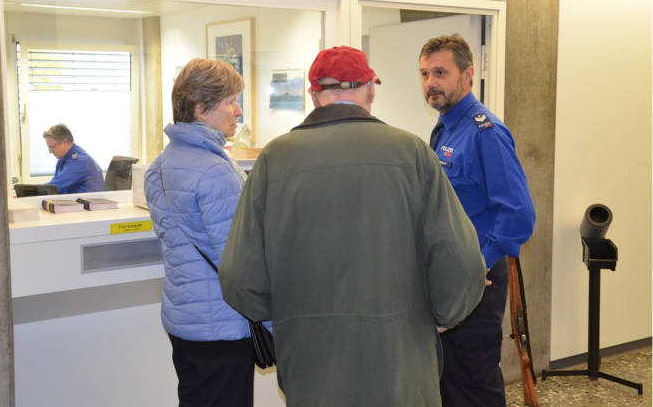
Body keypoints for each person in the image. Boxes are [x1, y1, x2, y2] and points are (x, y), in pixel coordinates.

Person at [219, 46, 486, 407]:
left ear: (315, 96)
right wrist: (444, 314)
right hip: (401, 364)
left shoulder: (273, 159)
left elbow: (238, 277)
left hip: (311, 365)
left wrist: (287, 314)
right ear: (370, 91)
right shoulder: (412, 152)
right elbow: (462, 263)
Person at [419, 33, 536, 407]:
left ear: (468, 74)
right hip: (450, 275)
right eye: (424, 74)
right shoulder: (446, 126)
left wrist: (476, 264)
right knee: (449, 379)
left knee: (473, 383)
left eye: (440, 72)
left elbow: (518, 214)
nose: (430, 83)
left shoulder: (486, 132)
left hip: (477, 278)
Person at [143, 58, 255, 407]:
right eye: (231, 101)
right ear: (200, 107)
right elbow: (239, 262)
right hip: (222, 325)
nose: (238, 111)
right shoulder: (215, 171)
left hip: (183, 321)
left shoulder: (159, 166)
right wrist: (270, 324)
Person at [43, 124, 104, 194]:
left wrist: (30, 191)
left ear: (65, 142)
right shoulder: (62, 160)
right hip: (74, 202)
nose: (50, 151)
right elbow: (55, 188)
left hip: (90, 204)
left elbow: (54, 187)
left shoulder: (80, 162)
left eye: (52, 147)